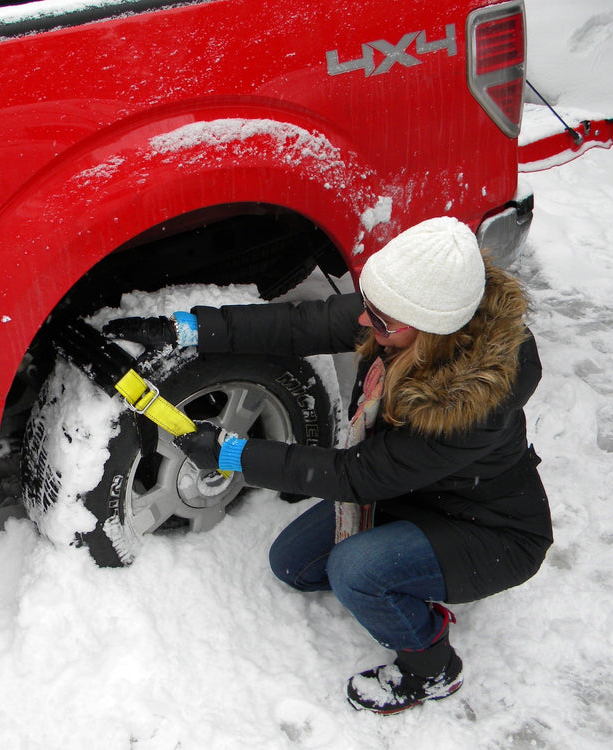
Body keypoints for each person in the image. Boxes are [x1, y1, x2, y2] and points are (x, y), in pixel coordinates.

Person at [104, 216, 553, 715]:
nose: (365, 323)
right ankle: (402, 568)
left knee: (354, 571)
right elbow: (304, 325)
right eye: (368, 306)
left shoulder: (469, 411)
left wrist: (233, 454)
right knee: (294, 566)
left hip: (488, 530)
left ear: (432, 332)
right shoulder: (401, 316)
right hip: (409, 491)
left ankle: (431, 665)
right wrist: (191, 329)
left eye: (381, 321)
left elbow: (352, 476)